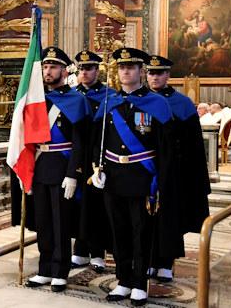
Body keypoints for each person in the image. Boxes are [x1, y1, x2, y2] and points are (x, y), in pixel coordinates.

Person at [90, 48, 173, 306]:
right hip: (114, 176)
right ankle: (123, 281)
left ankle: (139, 284)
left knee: (141, 233)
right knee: (119, 233)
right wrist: (97, 168)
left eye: (131, 67)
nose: (125, 71)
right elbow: (97, 141)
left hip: (142, 178)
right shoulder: (109, 101)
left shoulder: (156, 103)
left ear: (141, 71)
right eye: (122, 67)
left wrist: (160, 181)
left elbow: (166, 148)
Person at [24, 47, 90, 292]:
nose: (47, 71)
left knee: (61, 221)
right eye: (45, 67)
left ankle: (60, 270)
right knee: (42, 221)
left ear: (64, 70)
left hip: (63, 168)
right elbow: (27, 138)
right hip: (40, 166)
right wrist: (26, 171)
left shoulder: (76, 100)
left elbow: (80, 142)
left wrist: (73, 173)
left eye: (53, 67)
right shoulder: (36, 99)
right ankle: (44, 269)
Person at [146, 55, 211, 283]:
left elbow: (193, 143)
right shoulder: (140, 100)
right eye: (151, 73)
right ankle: (148, 259)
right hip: (145, 168)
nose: (154, 77)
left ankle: (165, 262)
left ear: (167, 76)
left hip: (174, 170)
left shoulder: (181, 103)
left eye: (159, 73)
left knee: (169, 216)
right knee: (145, 217)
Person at [71, 50, 114, 273]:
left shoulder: (108, 96)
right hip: (75, 155)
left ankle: (97, 252)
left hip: (98, 156)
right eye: (81, 69)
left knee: (96, 205)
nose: (84, 72)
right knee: (77, 204)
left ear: (98, 70)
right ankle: (79, 249)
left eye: (89, 68)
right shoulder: (71, 94)